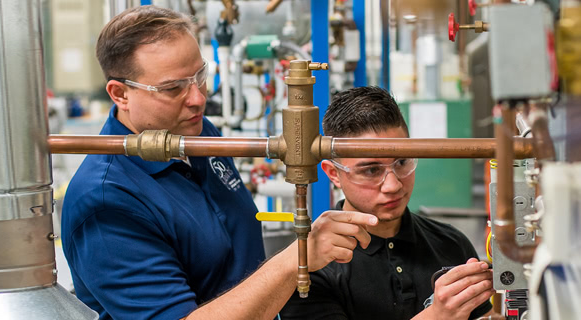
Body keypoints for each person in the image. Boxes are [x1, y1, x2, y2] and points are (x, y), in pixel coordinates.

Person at [61, 6, 377, 320]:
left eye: (200, 76)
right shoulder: (106, 202)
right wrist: (296, 257)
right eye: (173, 88)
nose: (198, 98)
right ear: (120, 94)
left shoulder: (197, 133)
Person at [280, 87, 495, 320]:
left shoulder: (451, 243)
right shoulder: (310, 266)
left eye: (402, 161)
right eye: (371, 170)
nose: (393, 185)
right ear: (333, 174)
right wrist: (437, 316)